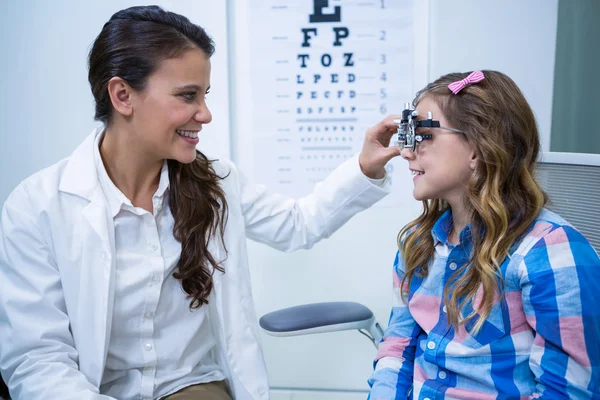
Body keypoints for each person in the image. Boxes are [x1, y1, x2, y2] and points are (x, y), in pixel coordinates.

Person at [0, 5, 403, 400]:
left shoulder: (216, 182)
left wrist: (364, 168)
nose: (205, 114)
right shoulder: (37, 207)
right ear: (123, 95)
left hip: (190, 388)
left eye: (205, 95)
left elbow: (297, 224)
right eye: (187, 96)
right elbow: (38, 361)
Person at [368, 70, 600, 399]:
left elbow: (569, 391)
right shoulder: (418, 246)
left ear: (477, 148)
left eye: (424, 135)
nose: (406, 152)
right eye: (408, 136)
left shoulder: (552, 252)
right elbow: (397, 348)